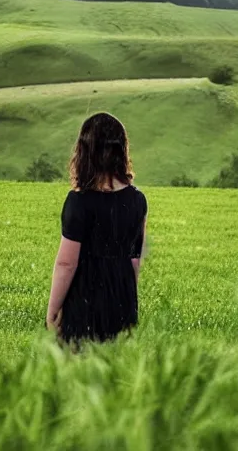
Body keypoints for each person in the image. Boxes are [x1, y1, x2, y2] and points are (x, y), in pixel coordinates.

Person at [46, 112, 148, 344]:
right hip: (122, 298)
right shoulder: (138, 200)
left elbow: (66, 263)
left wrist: (53, 309)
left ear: (84, 153)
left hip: (85, 299)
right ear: (121, 151)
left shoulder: (79, 202)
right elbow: (135, 259)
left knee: (79, 369)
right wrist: (126, 298)